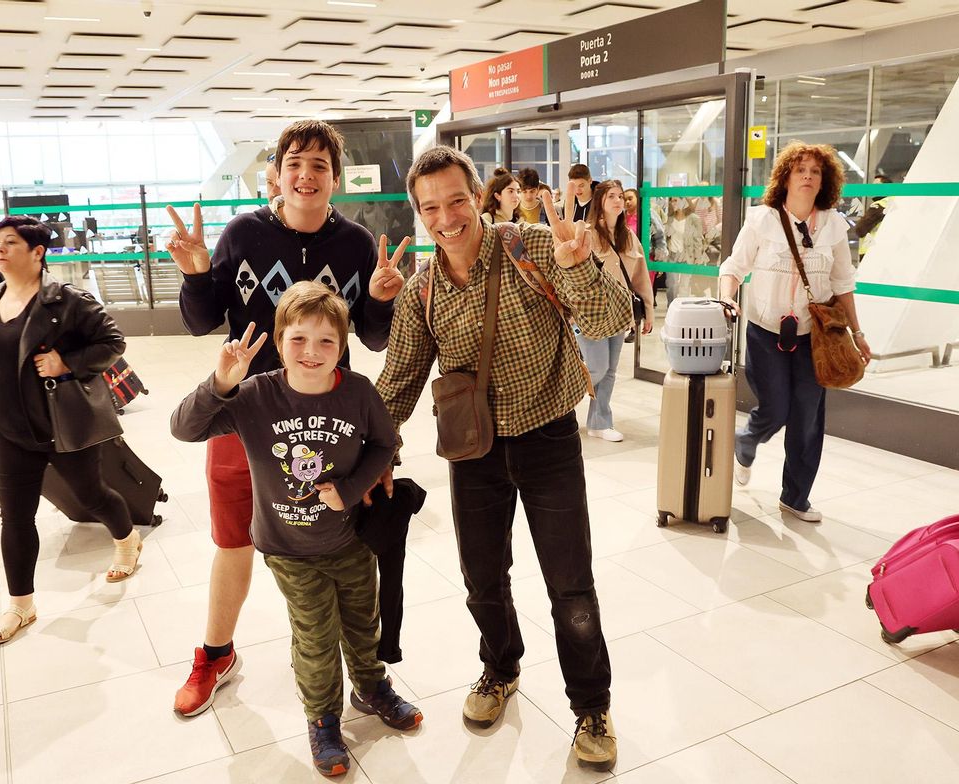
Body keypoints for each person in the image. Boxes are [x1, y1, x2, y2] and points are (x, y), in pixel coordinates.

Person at [375, 145, 631, 772]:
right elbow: (400, 377)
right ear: (419, 212)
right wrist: (373, 451)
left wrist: (578, 266)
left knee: (570, 586)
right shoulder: (423, 291)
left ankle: (591, 707)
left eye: (456, 200)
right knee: (482, 581)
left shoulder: (535, 248)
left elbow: (612, 316)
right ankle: (501, 667)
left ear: (477, 198)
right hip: (475, 452)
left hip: (548, 440)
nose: (446, 217)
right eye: (430, 207)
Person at [166, 119, 406, 718]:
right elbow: (201, 322)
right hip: (247, 414)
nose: (305, 175)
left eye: (319, 166)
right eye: (294, 162)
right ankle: (215, 652)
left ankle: (365, 676)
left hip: (328, 421)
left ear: (335, 179)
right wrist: (197, 273)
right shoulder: (243, 233)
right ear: (275, 172)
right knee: (233, 539)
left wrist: (379, 299)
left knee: (338, 539)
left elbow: (371, 340)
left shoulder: (354, 243)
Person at [171, 282, 421, 777]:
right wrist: (220, 383)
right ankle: (323, 718)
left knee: (362, 622)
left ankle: (371, 688)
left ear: (343, 346)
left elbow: (383, 443)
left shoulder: (357, 391)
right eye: (298, 339)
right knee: (315, 636)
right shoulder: (253, 397)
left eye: (326, 341)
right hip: (288, 547)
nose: (312, 352)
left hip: (352, 539)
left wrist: (349, 491)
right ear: (279, 341)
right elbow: (184, 428)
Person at [0, 216, 141, 645]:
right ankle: (21, 606)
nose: (0, 250)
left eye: (11, 243)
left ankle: (127, 540)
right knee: (15, 518)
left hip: (59, 426)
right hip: (10, 432)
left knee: (90, 495)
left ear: (38, 252)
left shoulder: (66, 300)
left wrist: (68, 363)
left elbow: (113, 341)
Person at [718, 141, 871, 524]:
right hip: (765, 331)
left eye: (815, 171)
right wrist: (727, 299)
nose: (807, 176)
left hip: (812, 337)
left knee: (807, 417)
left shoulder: (834, 225)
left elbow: (842, 283)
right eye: (799, 169)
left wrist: (858, 332)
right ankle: (747, 441)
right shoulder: (762, 219)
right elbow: (733, 267)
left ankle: (795, 497)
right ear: (785, 177)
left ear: (825, 182)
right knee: (775, 409)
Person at [580, 180, 655, 441]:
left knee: (610, 370)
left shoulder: (629, 237)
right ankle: (556, 404)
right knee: (597, 368)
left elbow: (640, 277)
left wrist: (648, 310)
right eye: (611, 196)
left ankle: (600, 422)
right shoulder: (586, 235)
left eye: (620, 196)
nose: (618, 201)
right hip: (591, 314)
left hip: (620, 314)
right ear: (600, 201)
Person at [665, 196, 708, 299]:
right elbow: (665, 238)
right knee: (672, 284)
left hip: (687, 254)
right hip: (672, 254)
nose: (673, 203)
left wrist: (698, 257)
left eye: (676, 200)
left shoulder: (694, 218)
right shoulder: (669, 218)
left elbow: (698, 239)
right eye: (671, 200)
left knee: (684, 285)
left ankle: (682, 308)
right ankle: (671, 307)